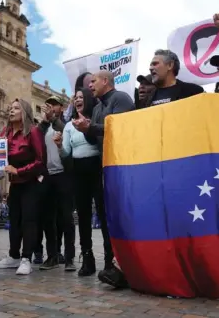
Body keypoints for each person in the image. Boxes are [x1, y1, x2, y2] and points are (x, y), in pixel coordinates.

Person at [73, 70, 135, 284]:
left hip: (125, 165)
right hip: (106, 167)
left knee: (119, 216)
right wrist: (84, 130)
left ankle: (121, 263)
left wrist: (91, 127)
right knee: (107, 216)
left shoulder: (121, 98)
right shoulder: (98, 107)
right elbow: (95, 139)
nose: (90, 85)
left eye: (94, 81)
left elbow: (119, 128)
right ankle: (111, 263)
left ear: (105, 81)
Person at [0, 99, 46, 275]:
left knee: (28, 221)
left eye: (16, 108)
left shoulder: (33, 132)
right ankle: (13, 256)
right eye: (10, 108)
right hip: (15, 185)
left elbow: (40, 161)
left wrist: (18, 170)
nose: (11, 110)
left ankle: (26, 258)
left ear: (25, 111)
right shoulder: (5, 133)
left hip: (31, 184)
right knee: (13, 221)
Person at [53, 88, 100, 277]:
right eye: (76, 98)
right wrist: (58, 146)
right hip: (78, 170)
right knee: (83, 215)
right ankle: (87, 257)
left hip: (96, 167)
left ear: (88, 100)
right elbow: (66, 153)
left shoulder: (95, 118)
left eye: (81, 97)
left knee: (103, 213)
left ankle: (110, 258)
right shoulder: (69, 126)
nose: (78, 100)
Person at [36, 96, 76, 271]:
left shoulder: (66, 124)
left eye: (54, 105)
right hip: (47, 175)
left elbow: (62, 130)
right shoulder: (43, 126)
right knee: (47, 219)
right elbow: (36, 139)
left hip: (63, 175)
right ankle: (52, 255)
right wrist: (45, 122)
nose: (50, 107)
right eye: (48, 104)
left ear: (61, 107)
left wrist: (53, 119)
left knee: (66, 218)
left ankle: (69, 258)